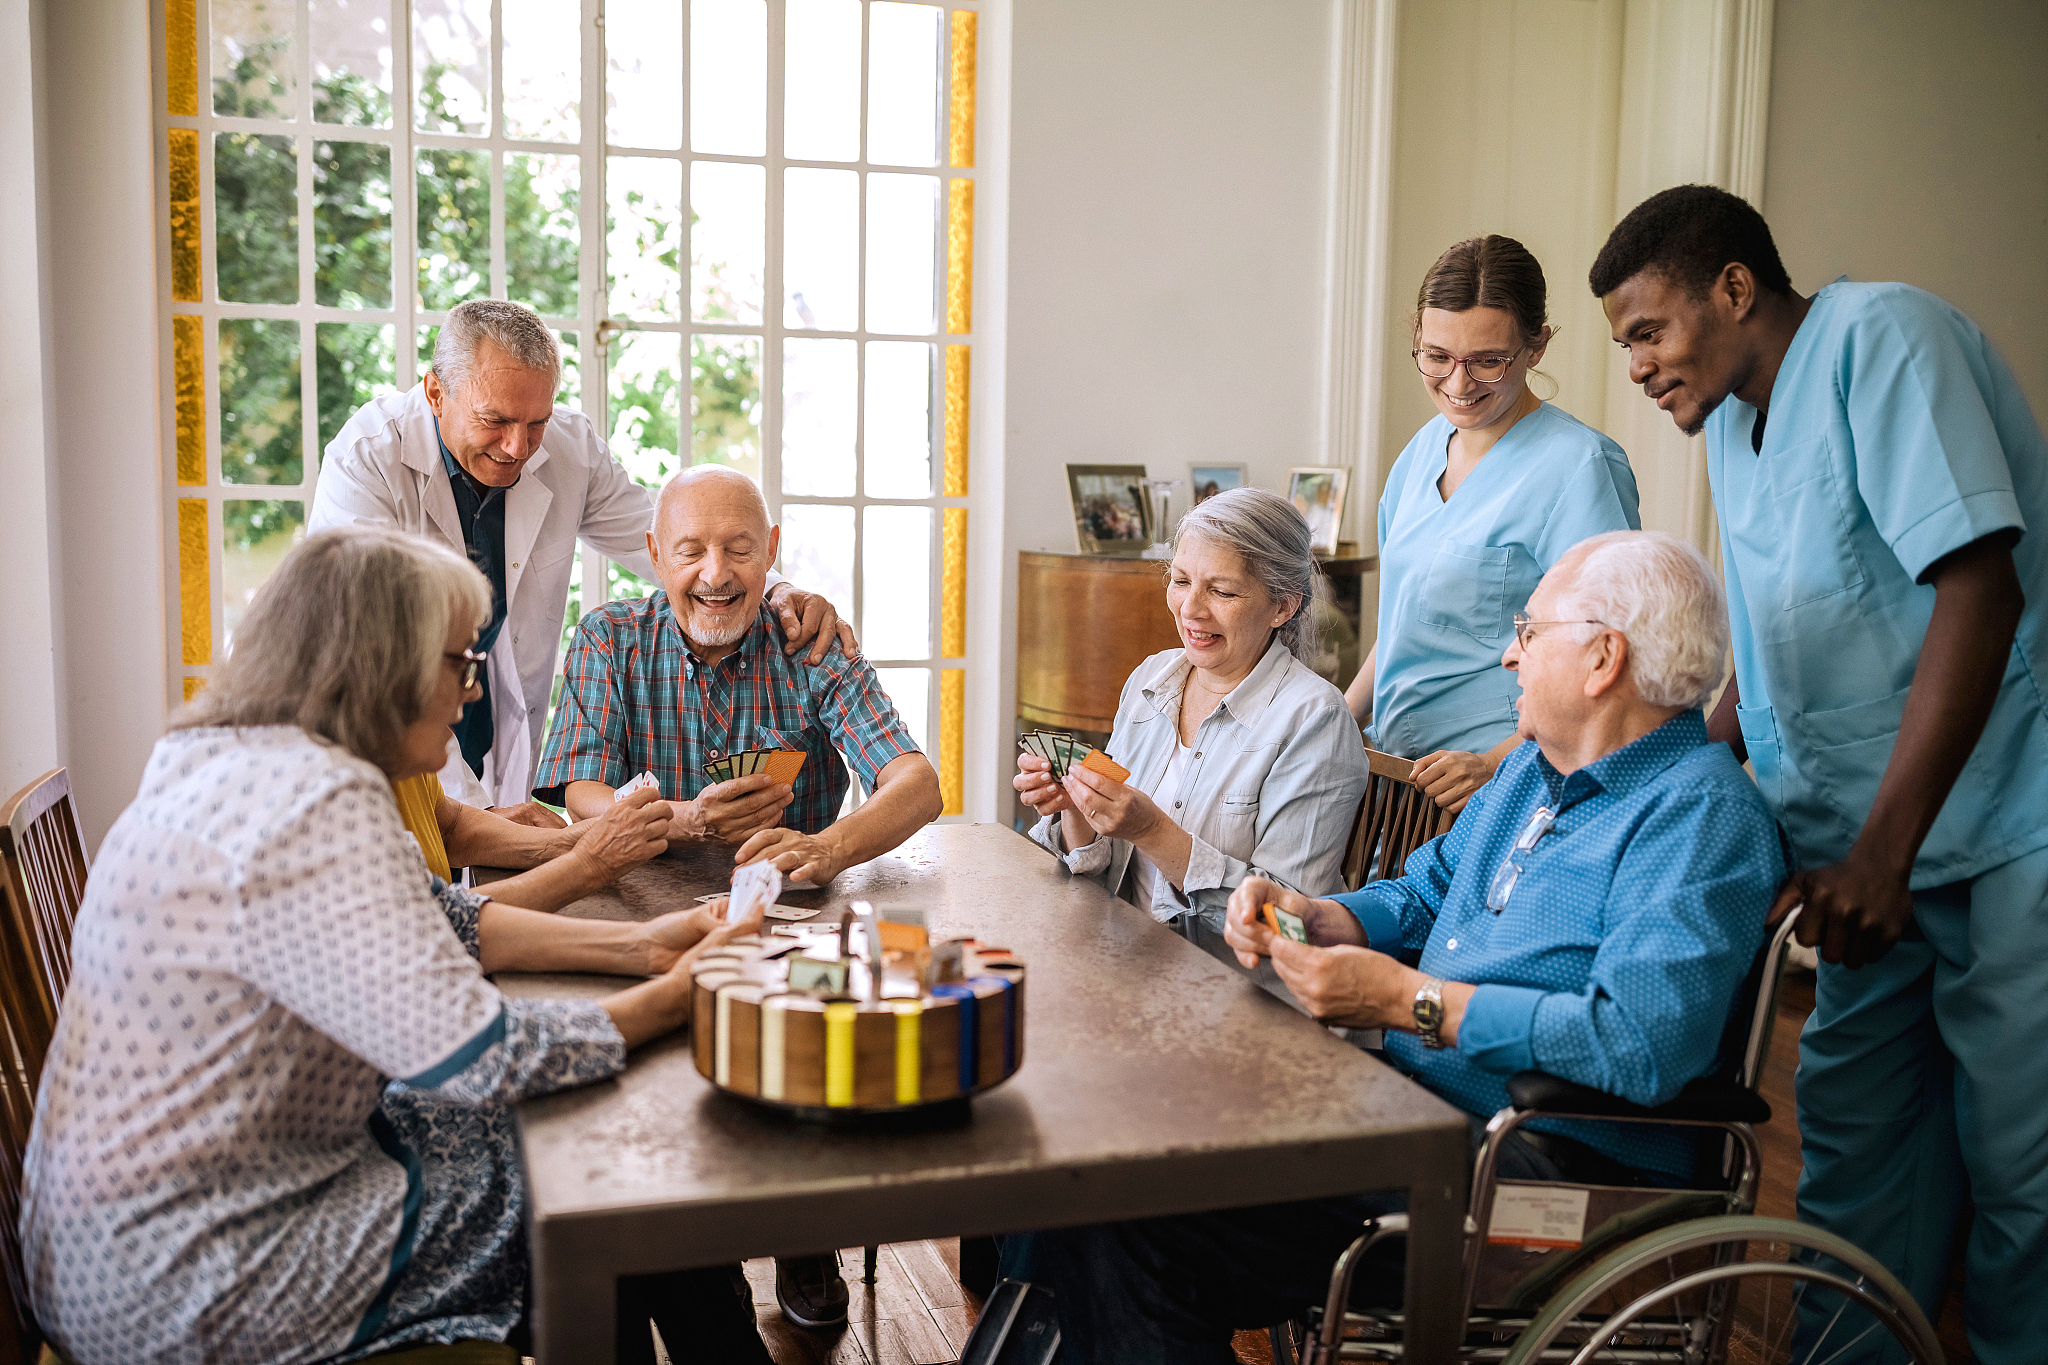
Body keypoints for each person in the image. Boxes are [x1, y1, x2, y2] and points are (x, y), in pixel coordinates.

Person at [20, 526, 774, 1365]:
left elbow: (438, 918)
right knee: (619, 1177)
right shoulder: (317, 800)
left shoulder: (221, 755)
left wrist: (644, 948)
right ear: (382, 666)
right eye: (459, 662)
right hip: (191, 1274)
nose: (470, 692)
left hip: (108, 1246)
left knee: (578, 1153)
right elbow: (486, 1057)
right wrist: (679, 996)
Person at [1028, 531, 1784, 1362]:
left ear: (1603, 658)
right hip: (1418, 1119)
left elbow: (1640, 1044)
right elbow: (1423, 890)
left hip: (1543, 1174)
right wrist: (1319, 916)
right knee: (1105, 1171)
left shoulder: (1700, 815)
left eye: (1529, 632)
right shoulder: (1531, 771)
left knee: (1135, 1214)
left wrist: (1403, 1000)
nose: (1508, 655)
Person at [1592, 184, 2048, 1364]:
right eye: (1621, 344)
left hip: (1997, 832)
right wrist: (1662, 782)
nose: (1635, 365)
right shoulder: (1737, 430)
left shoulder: (1883, 340)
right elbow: (1772, 653)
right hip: (1853, 865)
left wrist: (1882, 855)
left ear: (1734, 287)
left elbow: (1977, 585)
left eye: (1647, 330)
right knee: (1851, 1157)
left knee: (2022, 1171)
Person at [532, 464, 941, 1330]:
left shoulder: (810, 645)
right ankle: (686, 1248)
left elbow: (917, 783)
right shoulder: (609, 637)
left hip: (792, 914)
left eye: (739, 550)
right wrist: (678, 820)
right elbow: (579, 789)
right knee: (657, 1090)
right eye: (691, 550)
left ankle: (806, 1234)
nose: (715, 573)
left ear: (771, 555)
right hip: (643, 908)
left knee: (814, 1050)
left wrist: (826, 846)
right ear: (653, 554)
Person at [310, 297, 852, 819]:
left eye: (537, 421)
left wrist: (777, 589)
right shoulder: (367, 463)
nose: (518, 447)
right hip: (392, 733)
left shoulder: (568, 447)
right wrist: (473, 816)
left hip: (495, 719)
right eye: (495, 420)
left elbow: (665, 541)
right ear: (435, 392)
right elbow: (372, 661)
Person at [1344, 236, 1640, 812]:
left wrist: (1495, 762)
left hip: (1505, 781)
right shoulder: (1422, 451)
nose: (1458, 384)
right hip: (1400, 779)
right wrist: (1334, 720)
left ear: (1537, 347)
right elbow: (1402, 623)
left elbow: (1608, 655)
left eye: (1487, 361)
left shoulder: (1580, 468)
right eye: (1437, 356)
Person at [1016, 487, 1368, 968]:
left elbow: (1291, 922)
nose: (1190, 609)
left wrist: (1153, 830)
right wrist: (1077, 808)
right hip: (1126, 958)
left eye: (1222, 592)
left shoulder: (1314, 719)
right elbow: (1101, 868)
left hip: (1239, 994)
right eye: (1180, 580)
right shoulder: (1150, 679)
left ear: (1283, 606)